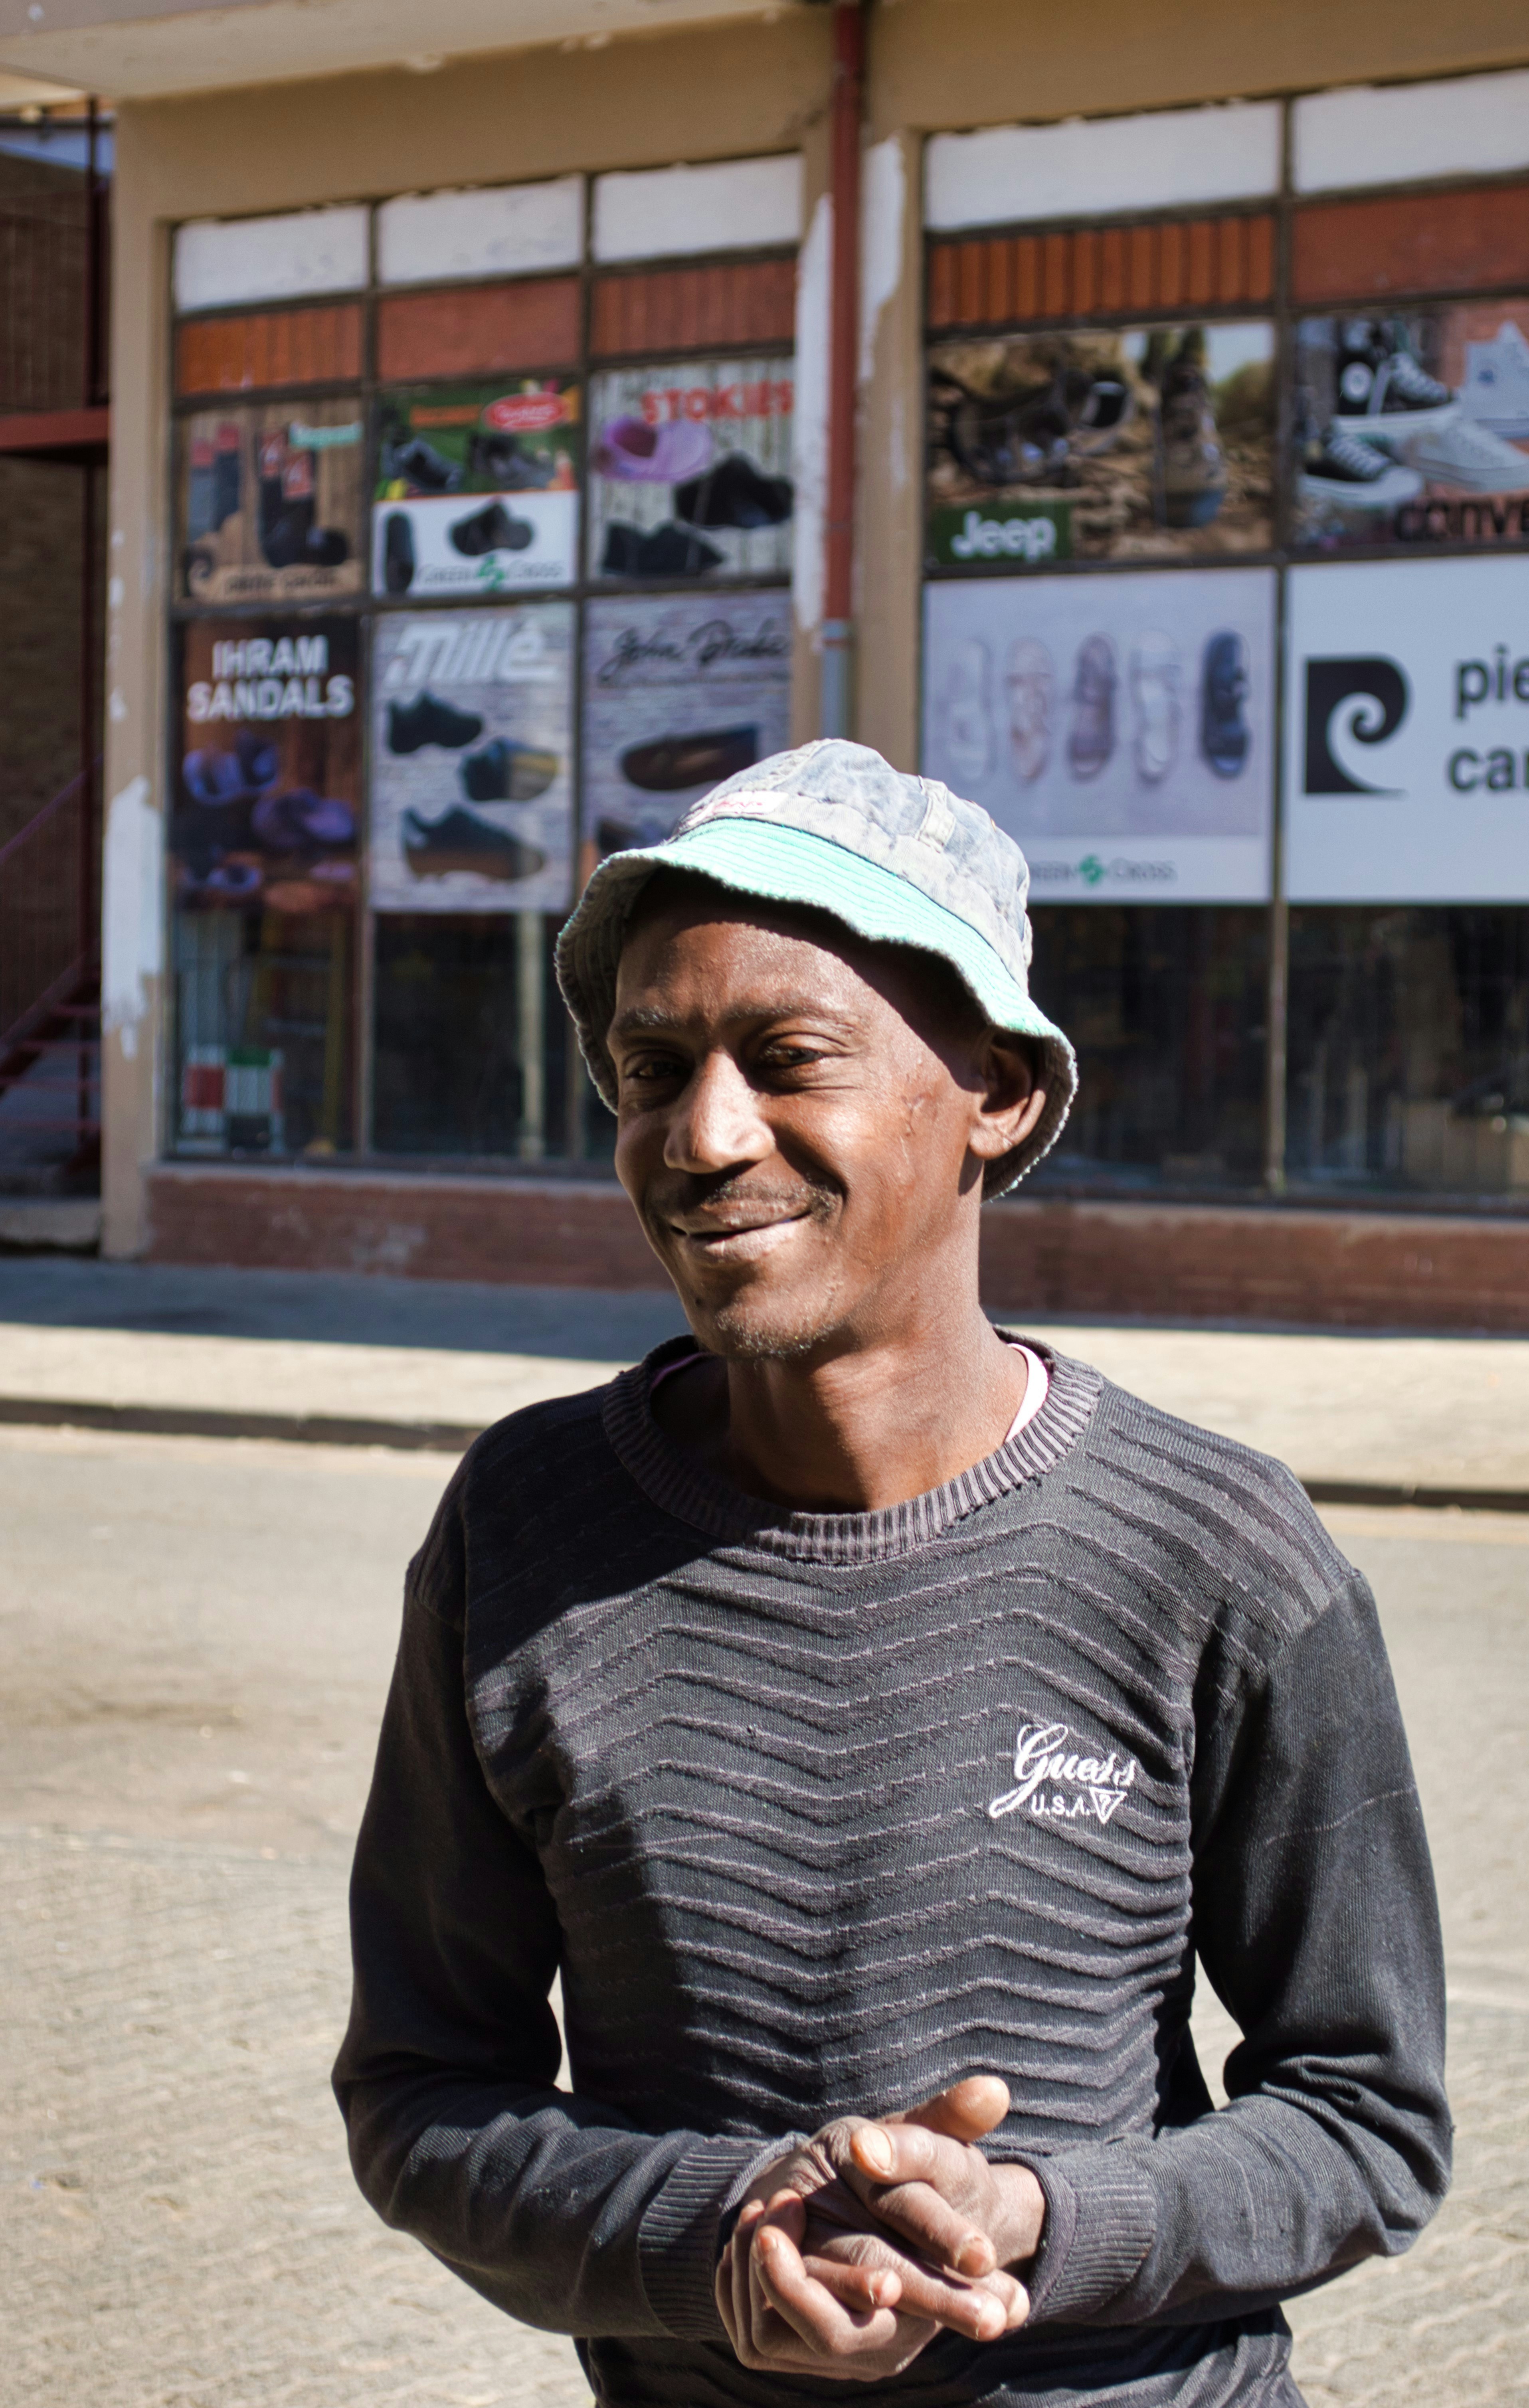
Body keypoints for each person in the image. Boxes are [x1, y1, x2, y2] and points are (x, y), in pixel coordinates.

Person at [334, 738, 1450, 2408]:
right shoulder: (525, 1528)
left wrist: (1036, 2222)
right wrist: (720, 2240)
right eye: (651, 1069)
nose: (702, 1137)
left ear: (994, 1091)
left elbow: (1366, 2123)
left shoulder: (1220, 1554)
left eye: (789, 1058)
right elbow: (424, 2095)